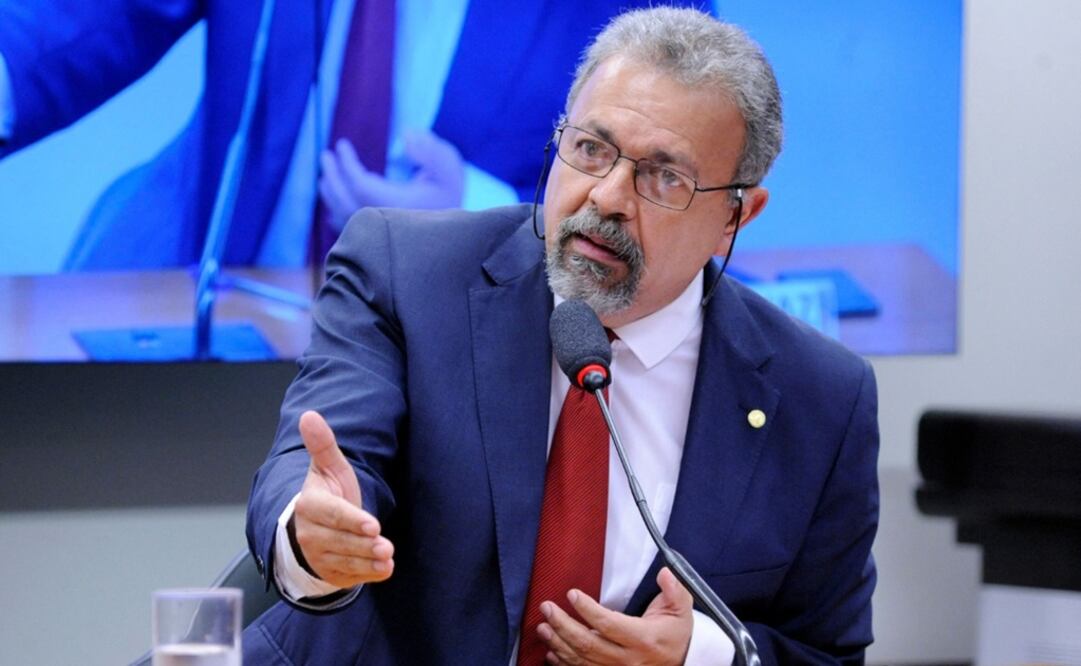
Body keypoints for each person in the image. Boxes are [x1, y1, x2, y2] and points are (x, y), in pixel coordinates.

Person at [245, 6, 879, 664]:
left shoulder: (820, 401)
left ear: (735, 215)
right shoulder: (404, 273)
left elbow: (826, 653)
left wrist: (698, 656)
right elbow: (320, 464)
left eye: (664, 177)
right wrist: (311, 533)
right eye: (590, 149)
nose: (606, 196)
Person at [0, 0, 682, 269]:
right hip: (225, 363)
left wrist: (489, 219)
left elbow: (667, 194)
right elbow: (75, 22)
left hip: (485, 390)